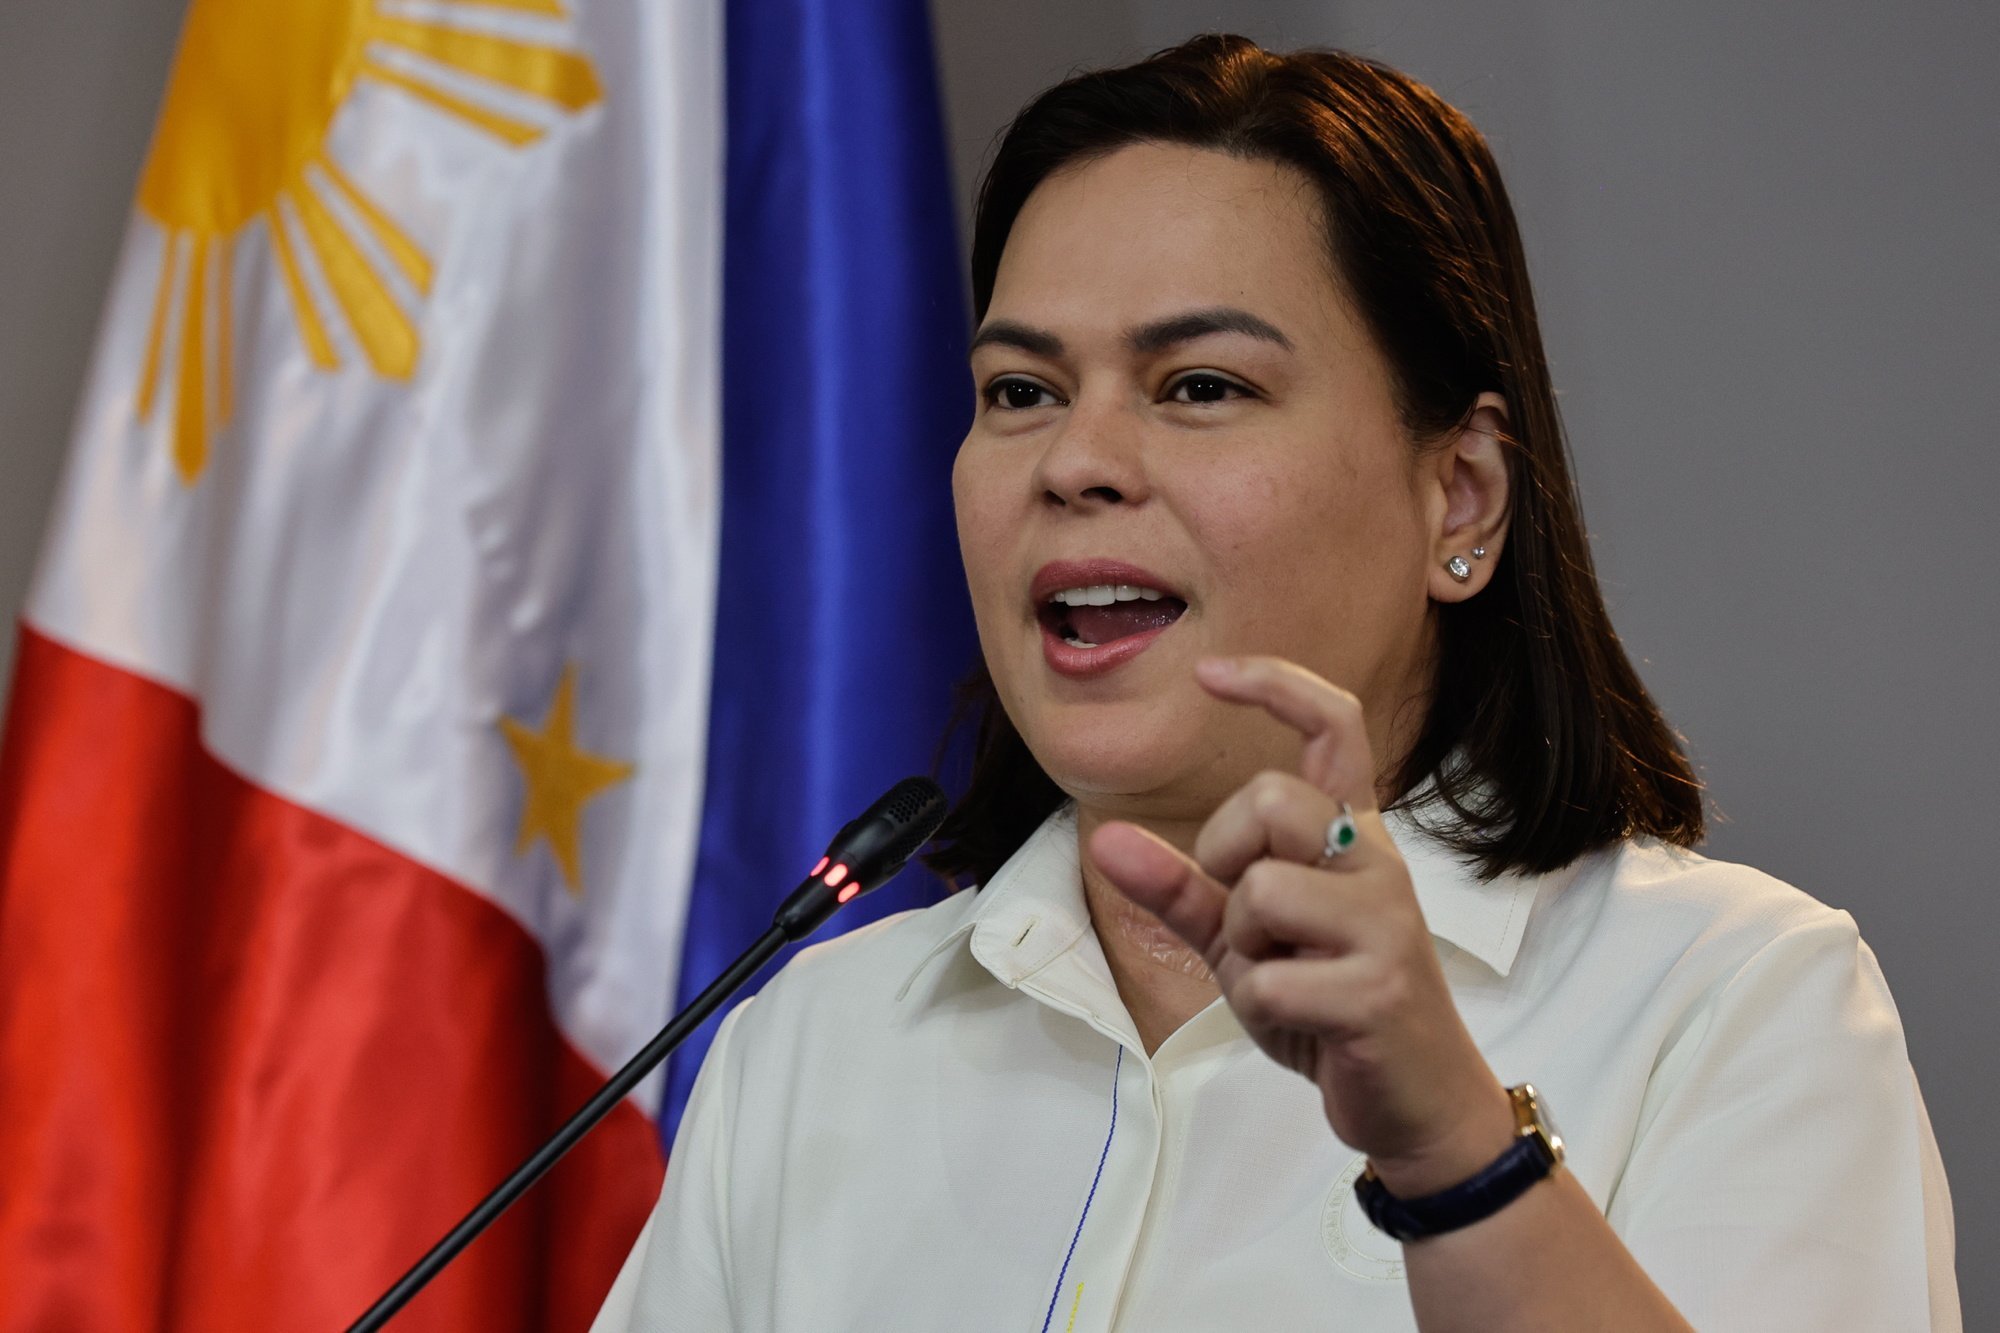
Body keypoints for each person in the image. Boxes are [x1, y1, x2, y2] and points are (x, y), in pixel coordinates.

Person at [592, 34, 1958, 1331]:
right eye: (1020, 391)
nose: (1077, 459)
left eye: (1197, 386)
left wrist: (1450, 1148)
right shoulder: (814, 1046)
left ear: (1459, 497)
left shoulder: (1729, 1002)